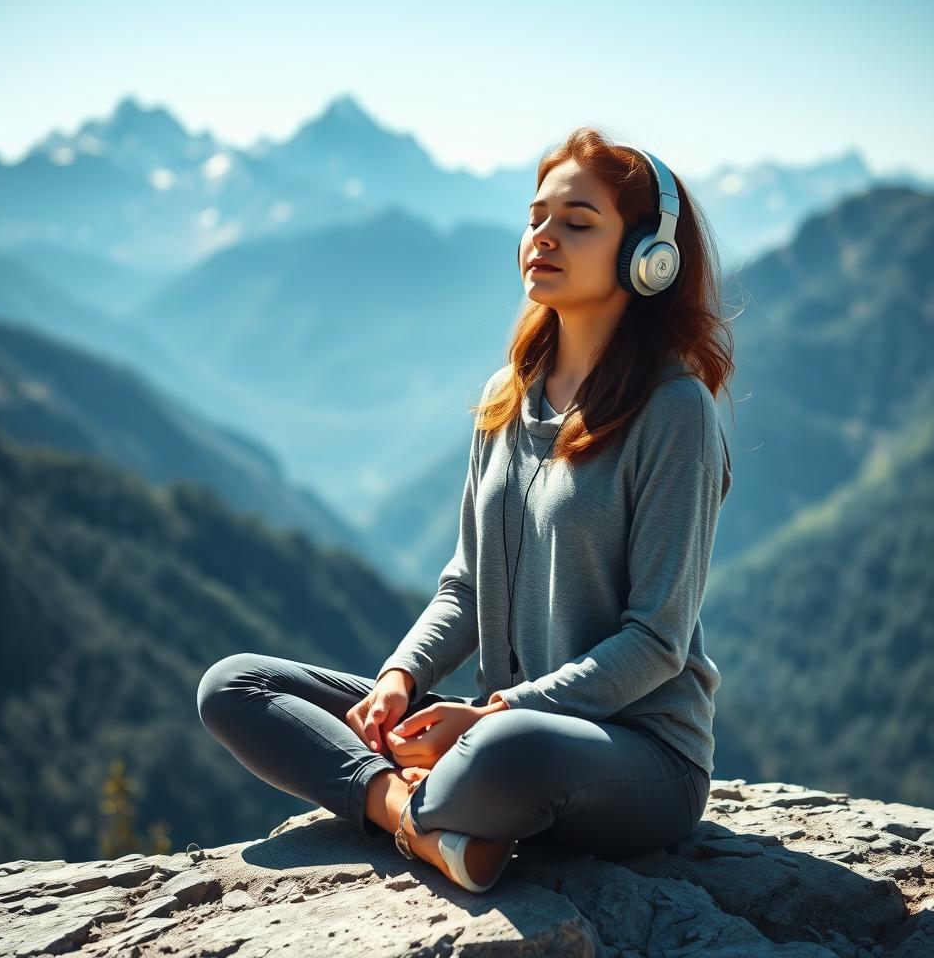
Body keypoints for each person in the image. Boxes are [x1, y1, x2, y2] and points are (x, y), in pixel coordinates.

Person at [196, 126, 736, 893]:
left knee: (505, 754)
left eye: (577, 223)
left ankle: (433, 799)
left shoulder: (674, 412)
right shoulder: (506, 396)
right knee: (234, 686)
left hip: (636, 756)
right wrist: (399, 680)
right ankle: (410, 815)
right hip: (497, 720)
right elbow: (466, 585)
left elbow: (655, 642)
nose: (543, 237)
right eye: (536, 216)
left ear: (649, 259)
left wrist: (488, 719)